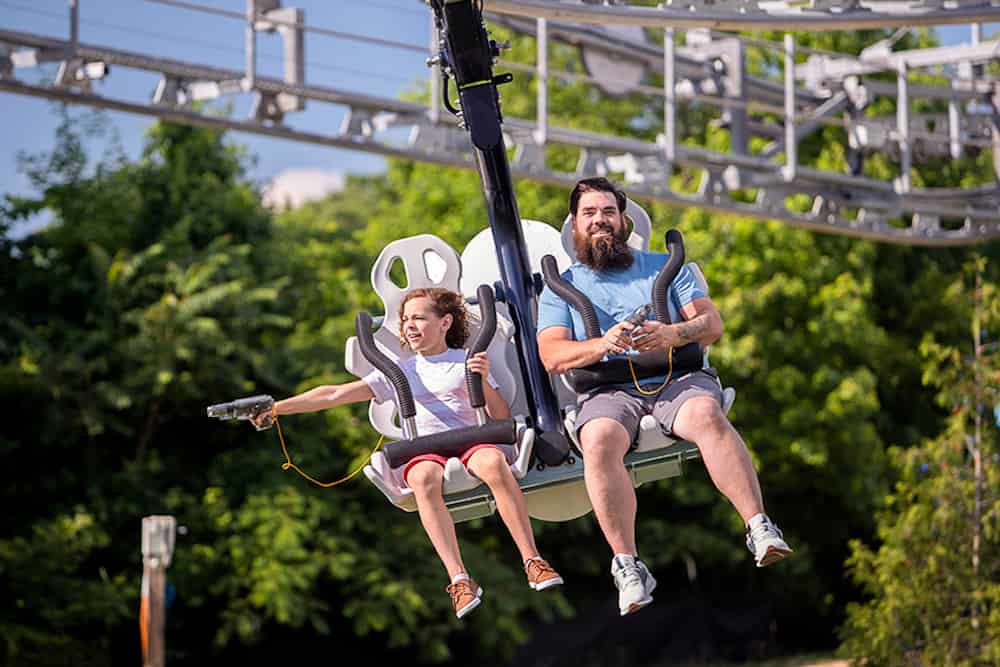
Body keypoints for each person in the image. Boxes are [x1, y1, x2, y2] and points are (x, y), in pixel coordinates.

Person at [536, 177, 791, 617]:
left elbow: (711, 325)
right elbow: (552, 355)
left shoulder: (666, 267)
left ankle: (758, 525)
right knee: (596, 442)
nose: (600, 222)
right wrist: (602, 344)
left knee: (707, 414)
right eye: (589, 214)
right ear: (574, 226)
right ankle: (628, 565)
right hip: (607, 389)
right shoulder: (563, 286)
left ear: (623, 220)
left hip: (676, 378)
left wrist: (672, 333)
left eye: (608, 213)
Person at [252, 287, 563, 619]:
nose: (409, 326)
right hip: (427, 449)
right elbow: (334, 394)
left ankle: (532, 560)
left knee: (492, 463)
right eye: (405, 320)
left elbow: (500, 415)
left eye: (418, 318)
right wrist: (277, 408)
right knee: (422, 478)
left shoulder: (465, 360)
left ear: (445, 322)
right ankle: (459, 578)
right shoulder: (401, 371)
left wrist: (483, 379)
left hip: (473, 441)